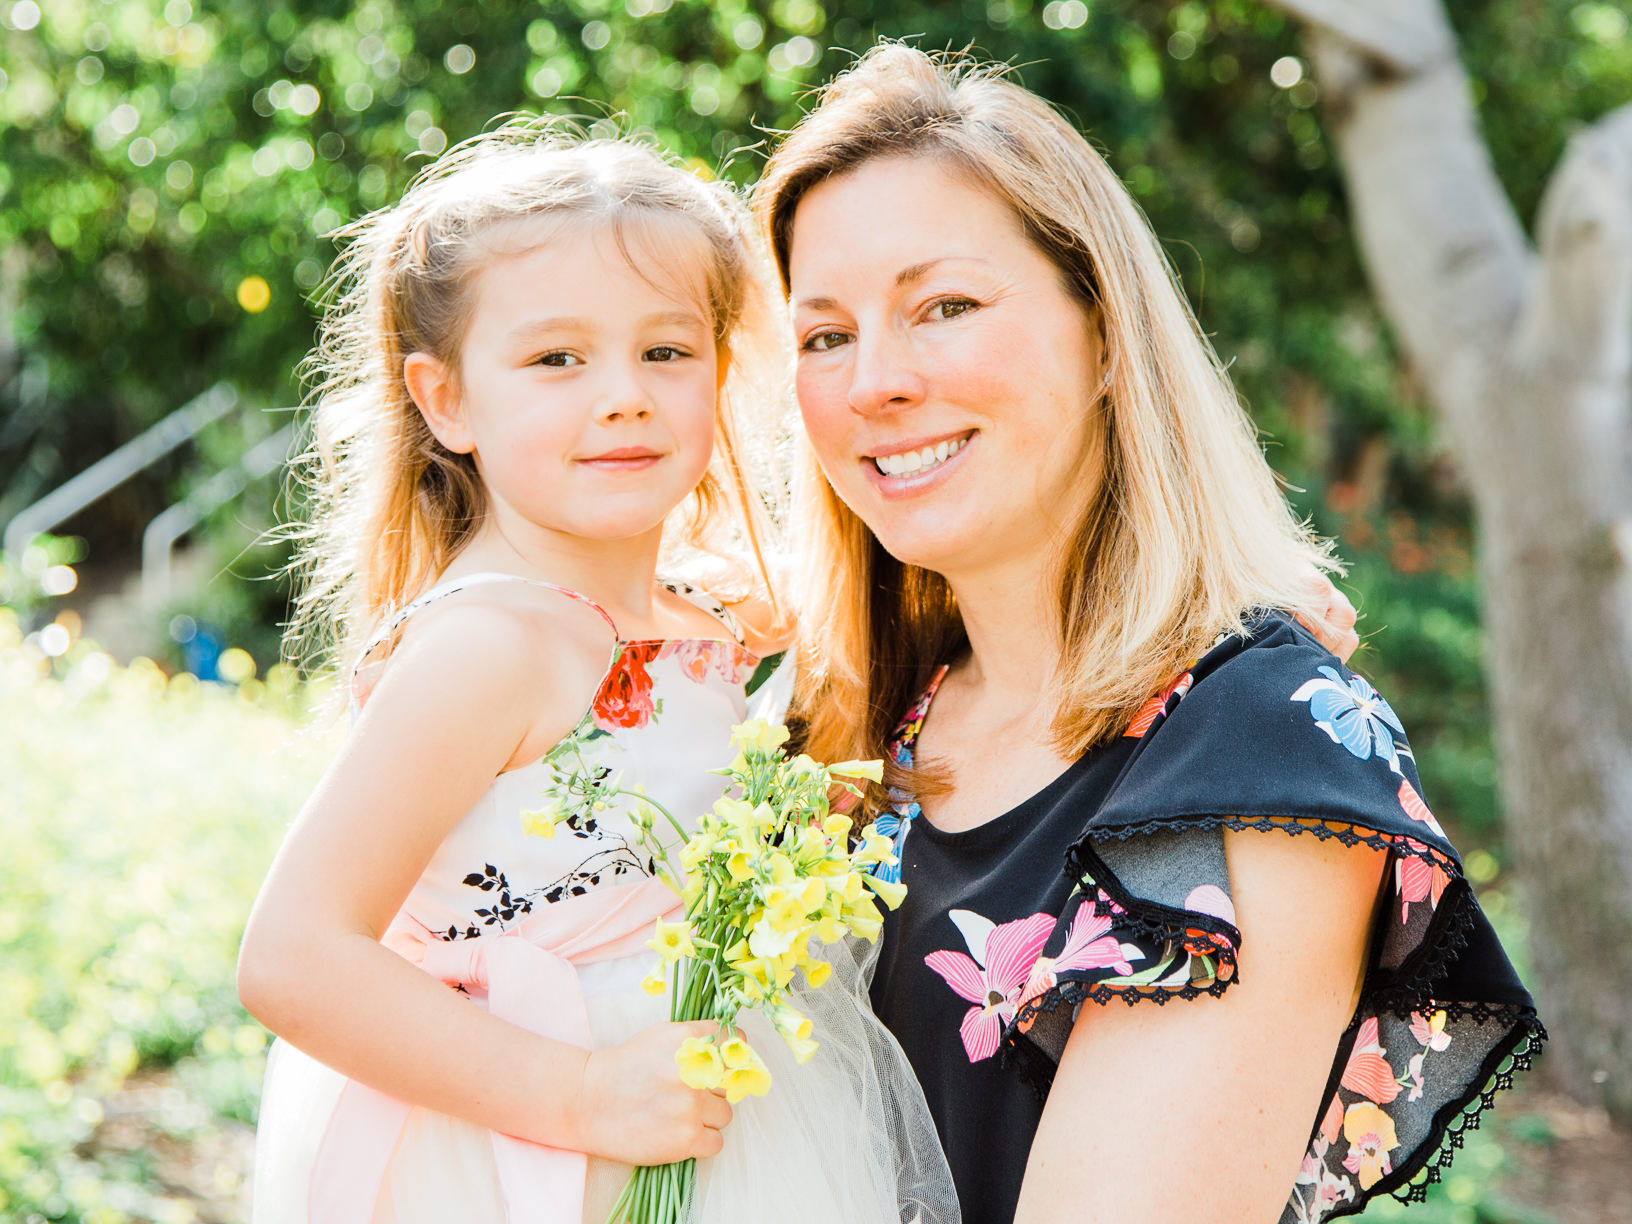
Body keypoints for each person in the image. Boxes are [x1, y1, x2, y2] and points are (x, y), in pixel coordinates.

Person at [755, 44, 1543, 1224]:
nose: (874, 382)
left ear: (1107, 333)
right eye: (824, 336)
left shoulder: (1257, 758)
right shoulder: (834, 729)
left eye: (947, 307)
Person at [237, 125, 955, 1224]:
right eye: (556, 358)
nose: (623, 396)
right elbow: (292, 957)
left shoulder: (701, 614)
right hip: (533, 1145)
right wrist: (575, 1095)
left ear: (719, 374)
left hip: (725, 1124)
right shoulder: (491, 648)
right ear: (447, 401)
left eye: (665, 353)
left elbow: (898, 624)